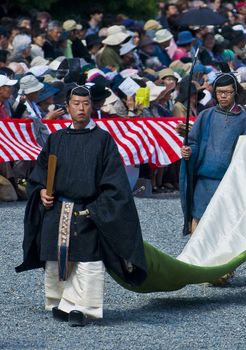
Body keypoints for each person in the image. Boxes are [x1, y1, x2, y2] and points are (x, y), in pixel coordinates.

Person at [15, 86, 147, 326]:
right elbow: (40, 174)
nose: (81, 108)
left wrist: (98, 209)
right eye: (76, 103)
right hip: (59, 208)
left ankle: (82, 309)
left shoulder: (103, 140)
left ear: (92, 106)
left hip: (88, 209)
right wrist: (42, 191)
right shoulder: (56, 139)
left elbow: (114, 182)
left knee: (88, 260)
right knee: (57, 260)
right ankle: (62, 302)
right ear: (67, 107)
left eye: (86, 104)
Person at [180, 72, 246, 284]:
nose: (223, 96)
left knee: (225, 225)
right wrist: (189, 152)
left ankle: (222, 269)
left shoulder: (245, 120)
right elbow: (194, 142)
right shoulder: (205, 116)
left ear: (235, 93)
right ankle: (197, 263)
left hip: (229, 183)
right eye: (219, 92)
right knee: (199, 220)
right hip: (204, 180)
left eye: (227, 92)